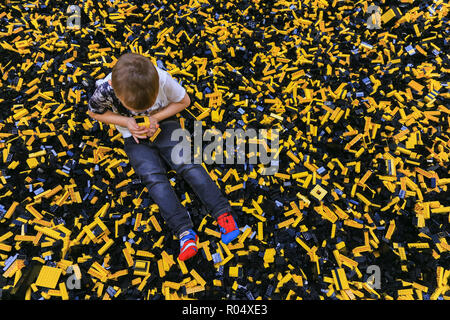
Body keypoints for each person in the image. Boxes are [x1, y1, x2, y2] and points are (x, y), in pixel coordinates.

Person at [87, 52, 240, 261]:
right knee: (154, 179)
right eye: (135, 108)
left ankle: (222, 213)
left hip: (164, 125)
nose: (140, 111)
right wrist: (128, 123)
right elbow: (95, 112)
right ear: (117, 93)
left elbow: (184, 101)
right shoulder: (106, 89)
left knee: (188, 164)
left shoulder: (162, 79)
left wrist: (153, 118)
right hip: (133, 136)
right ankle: (184, 232)